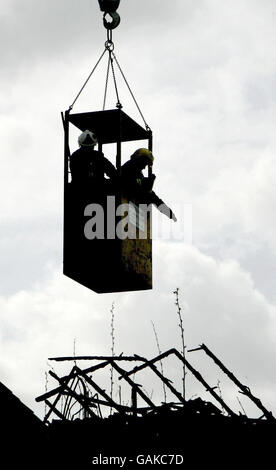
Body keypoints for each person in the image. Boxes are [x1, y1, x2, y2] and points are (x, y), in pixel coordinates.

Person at [121, 148, 177, 221]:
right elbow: (133, 189)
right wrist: (148, 187)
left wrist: (168, 212)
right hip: (125, 208)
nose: (144, 167)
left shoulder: (138, 174)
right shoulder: (127, 170)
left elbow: (152, 196)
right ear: (139, 160)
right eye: (144, 164)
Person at [70, 130, 117, 195]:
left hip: (78, 192)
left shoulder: (74, 157)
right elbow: (112, 172)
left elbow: (112, 172)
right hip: (97, 191)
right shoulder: (98, 156)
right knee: (112, 193)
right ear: (94, 145)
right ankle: (111, 204)